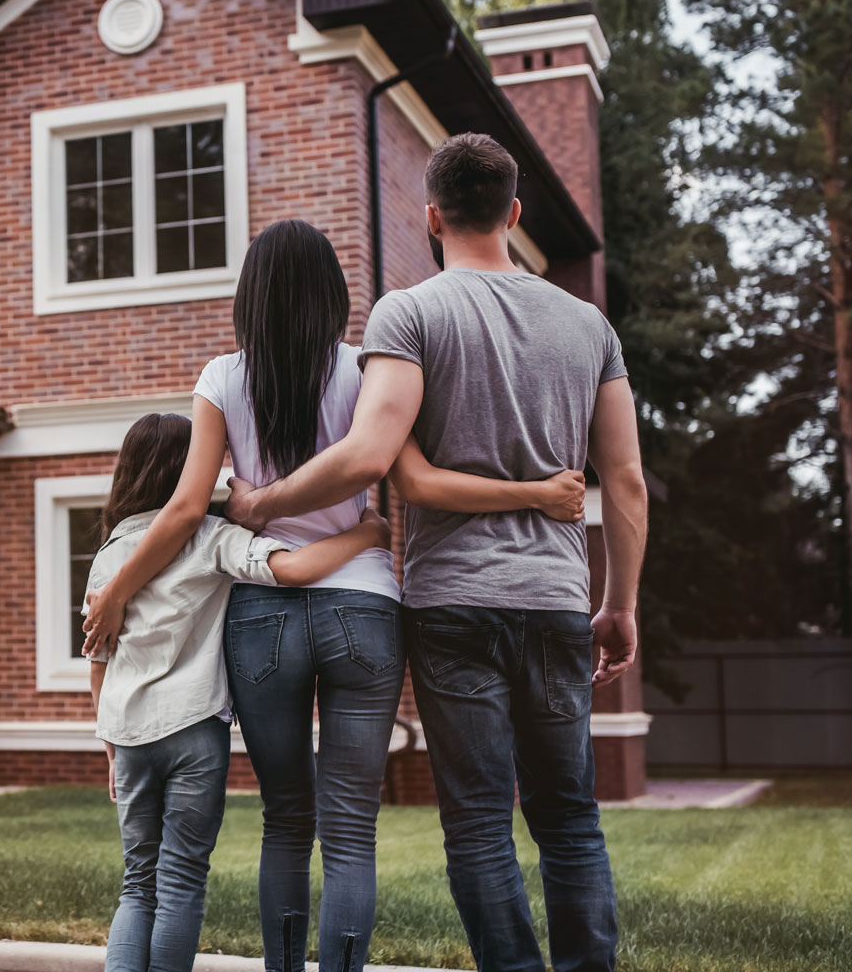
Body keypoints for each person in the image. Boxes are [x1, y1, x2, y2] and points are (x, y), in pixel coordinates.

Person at [83, 218, 588, 972]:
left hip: (262, 619)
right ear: (334, 294)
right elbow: (405, 473)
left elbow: (188, 510)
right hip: (364, 609)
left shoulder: (222, 379)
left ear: (249, 297)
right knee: (351, 830)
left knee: (287, 821)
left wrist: (119, 589)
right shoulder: (369, 370)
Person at [212, 135, 648, 972]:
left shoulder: (408, 313)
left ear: (431, 217)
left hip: (451, 603)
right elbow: (624, 482)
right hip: (557, 598)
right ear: (515, 214)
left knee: (480, 823)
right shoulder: (589, 324)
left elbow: (375, 458)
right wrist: (619, 602)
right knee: (569, 818)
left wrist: (261, 502)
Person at [86, 410, 391, 972]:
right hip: (193, 734)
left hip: (127, 738)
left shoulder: (109, 556)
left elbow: (98, 663)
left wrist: (111, 748)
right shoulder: (209, 538)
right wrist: (367, 533)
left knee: (138, 882)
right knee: (179, 880)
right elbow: (294, 570)